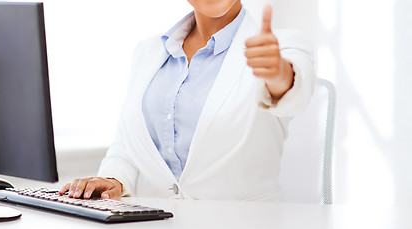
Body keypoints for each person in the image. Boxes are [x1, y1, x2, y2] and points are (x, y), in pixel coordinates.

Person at [59, 0, 314, 201]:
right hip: (154, 228)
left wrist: (278, 72)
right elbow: (127, 146)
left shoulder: (281, 46)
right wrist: (115, 180)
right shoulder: (148, 52)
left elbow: (294, 93)